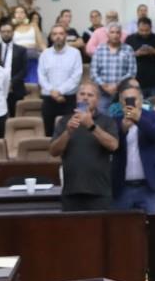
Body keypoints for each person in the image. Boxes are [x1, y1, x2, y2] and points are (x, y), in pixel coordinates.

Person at [50, 82, 120, 212]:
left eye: (90, 95)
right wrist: (68, 132)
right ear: (77, 97)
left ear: (97, 100)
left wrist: (91, 126)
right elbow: (53, 151)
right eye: (82, 94)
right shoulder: (65, 121)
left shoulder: (107, 121)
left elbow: (113, 145)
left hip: (99, 193)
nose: (85, 98)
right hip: (71, 192)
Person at [111, 80, 155, 214]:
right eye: (126, 100)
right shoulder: (115, 120)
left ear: (141, 100)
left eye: (134, 99)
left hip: (148, 185)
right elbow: (112, 147)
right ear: (120, 102)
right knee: (121, 229)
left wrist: (138, 120)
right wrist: (123, 130)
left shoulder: (153, 116)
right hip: (122, 187)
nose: (130, 103)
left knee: (151, 227)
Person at [39, 25, 84, 137]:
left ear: (66, 36)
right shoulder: (45, 54)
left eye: (61, 33)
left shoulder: (75, 53)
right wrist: (52, 92)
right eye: (55, 34)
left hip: (68, 100)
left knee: (70, 133)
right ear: (51, 37)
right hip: (49, 99)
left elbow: (76, 77)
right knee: (49, 134)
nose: (58, 36)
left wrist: (59, 91)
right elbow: (41, 77)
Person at [90, 24, 138, 108]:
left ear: (121, 34)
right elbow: (93, 72)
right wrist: (104, 86)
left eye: (117, 32)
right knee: (102, 116)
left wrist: (117, 85)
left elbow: (132, 72)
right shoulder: (99, 49)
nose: (115, 35)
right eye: (112, 32)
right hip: (103, 92)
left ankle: (128, 119)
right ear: (107, 34)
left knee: (129, 115)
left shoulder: (128, 49)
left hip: (125, 91)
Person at [124, 18, 155, 99]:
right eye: (141, 30)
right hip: (135, 81)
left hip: (154, 81)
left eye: (147, 30)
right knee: (136, 108)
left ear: (151, 28)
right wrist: (137, 53)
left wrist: (154, 51)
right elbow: (123, 58)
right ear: (137, 28)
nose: (144, 33)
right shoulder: (130, 39)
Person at [0, 21, 29, 117]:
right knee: (0, 117)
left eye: (8, 31)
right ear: (0, 33)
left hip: (16, 88)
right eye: (3, 31)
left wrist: (11, 82)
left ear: (13, 32)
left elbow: (24, 70)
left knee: (16, 117)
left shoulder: (21, 50)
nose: (6, 33)